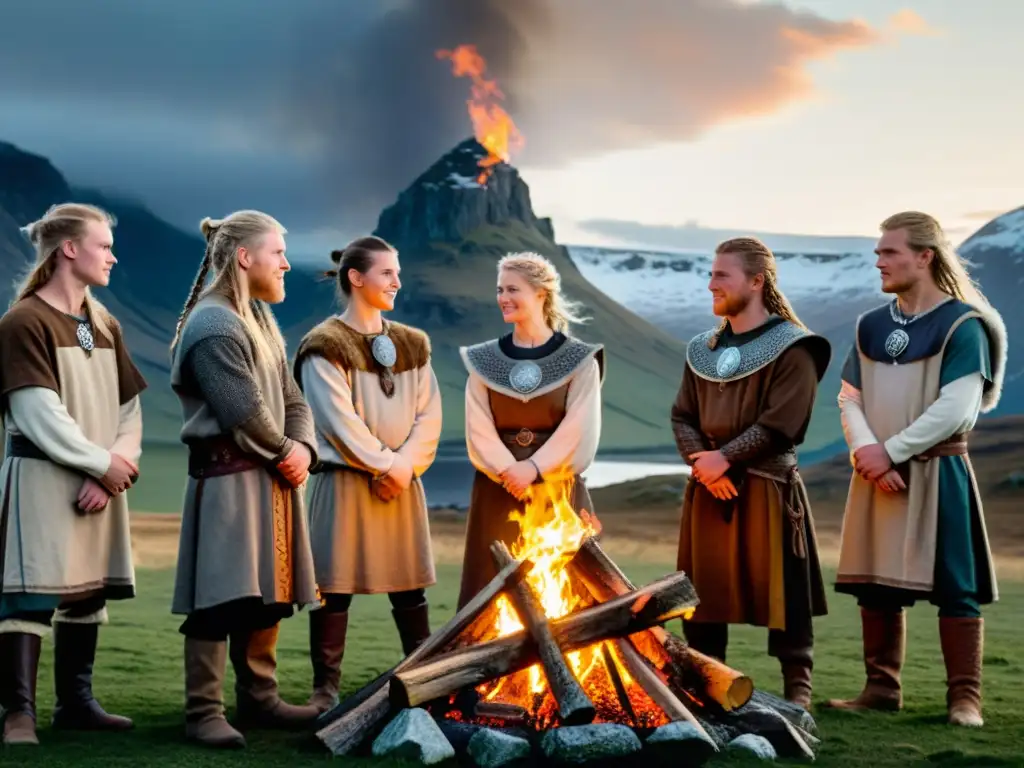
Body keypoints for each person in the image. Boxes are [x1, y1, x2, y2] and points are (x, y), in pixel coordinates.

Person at [824, 212, 1006, 727]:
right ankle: (881, 689)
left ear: (924, 256)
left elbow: (957, 407)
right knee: (876, 584)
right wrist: (868, 453)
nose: (878, 261)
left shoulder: (963, 325)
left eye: (889, 252)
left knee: (956, 585)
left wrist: (893, 451)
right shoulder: (870, 325)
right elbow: (849, 398)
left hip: (937, 469)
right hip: (877, 472)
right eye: (879, 252)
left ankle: (964, 700)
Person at [168, 210, 322, 749]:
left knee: (268, 597)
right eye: (277, 252)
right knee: (220, 595)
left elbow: (290, 398)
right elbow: (244, 413)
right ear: (244, 257)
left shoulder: (256, 319)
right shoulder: (213, 323)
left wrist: (302, 447)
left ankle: (259, 701)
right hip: (229, 483)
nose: (284, 262)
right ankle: (203, 712)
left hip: (272, 479)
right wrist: (286, 451)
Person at [0, 203, 146, 746]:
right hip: (41, 480)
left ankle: (76, 704)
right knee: (28, 596)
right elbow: (39, 412)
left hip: (101, 483)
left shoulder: (105, 324)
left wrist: (114, 469)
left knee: (88, 595)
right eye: (103, 245)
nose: (111, 255)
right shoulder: (24, 322)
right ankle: (18, 714)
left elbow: (129, 411)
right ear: (68, 250)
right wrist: (102, 464)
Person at [670, 236, 831, 710]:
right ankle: (705, 681)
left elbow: (784, 421)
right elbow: (682, 415)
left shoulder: (796, 346)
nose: (711, 283)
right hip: (708, 489)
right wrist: (705, 465)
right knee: (701, 593)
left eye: (722, 275)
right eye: (711, 273)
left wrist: (728, 458)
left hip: (767, 486)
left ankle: (797, 691)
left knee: (786, 592)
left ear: (756, 281)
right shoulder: (703, 348)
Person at [293, 236, 443, 713]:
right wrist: (389, 465)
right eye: (386, 273)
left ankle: (424, 678)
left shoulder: (413, 343)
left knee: (409, 588)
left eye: (398, 272)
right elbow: (337, 423)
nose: (397, 281)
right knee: (333, 590)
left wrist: (405, 467)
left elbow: (430, 415)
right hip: (346, 486)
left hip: (400, 487)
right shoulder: (324, 345)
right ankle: (325, 691)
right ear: (356, 279)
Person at [457, 251, 604, 610]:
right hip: (498, 489)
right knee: (492, 598)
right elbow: (478, 426)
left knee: (566, 599)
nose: (503, 298)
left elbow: (578, 427)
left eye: (513, 289)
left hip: (558, 489)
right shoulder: (483, 360)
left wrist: (534, 469)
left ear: (541, 293)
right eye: (499, 290)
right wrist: (509, 471)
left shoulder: (580, 359)